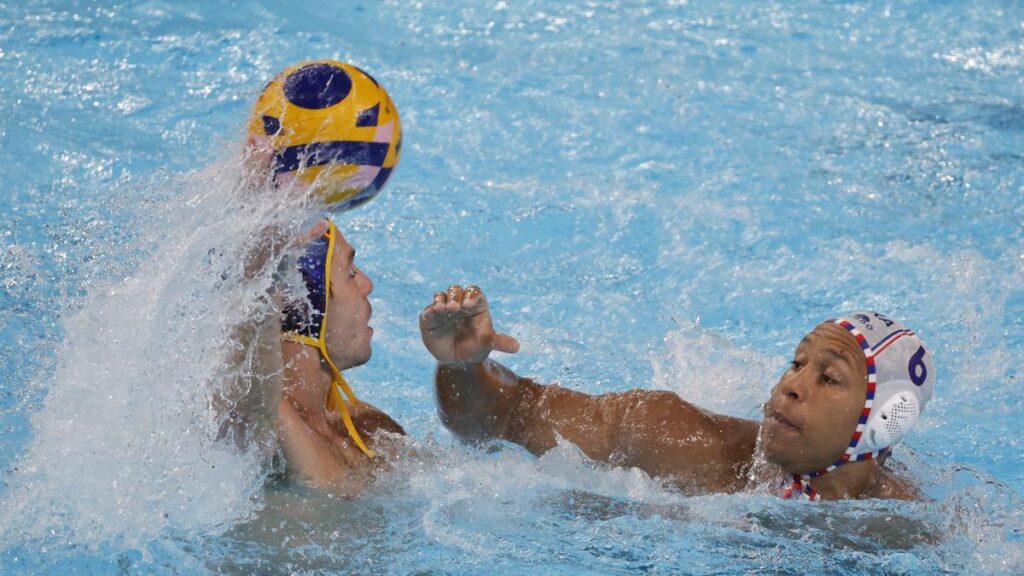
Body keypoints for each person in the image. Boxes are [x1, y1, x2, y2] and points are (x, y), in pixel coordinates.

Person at [419, 285, 936, 501]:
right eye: (796, 363)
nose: (791, 386)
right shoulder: (675, 434)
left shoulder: (903, 525)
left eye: (827, 378)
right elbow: (505, 417)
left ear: (882, 420)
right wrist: (464, 367)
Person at [217, 219, 405, 496]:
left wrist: (464, 367)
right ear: (307, 308)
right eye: (350, 273)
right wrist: (262, 285)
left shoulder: (366, 426)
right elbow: (244, 385)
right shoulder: (263, 428)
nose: (368, 285)